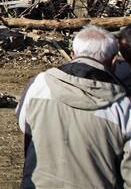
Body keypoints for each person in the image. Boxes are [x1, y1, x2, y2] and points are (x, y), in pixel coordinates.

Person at [16, 25, 131, 188]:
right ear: (113, 61)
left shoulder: (39, 83)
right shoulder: (123, 105)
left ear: (73, 54)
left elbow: (24, 126)